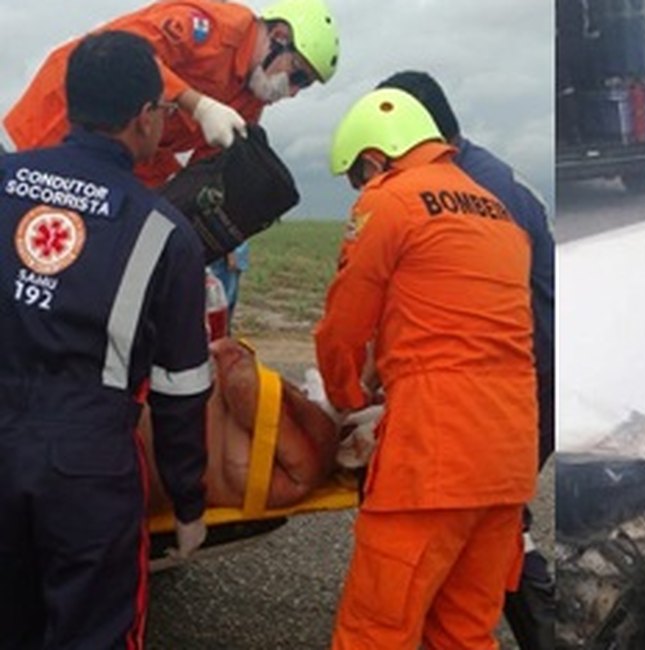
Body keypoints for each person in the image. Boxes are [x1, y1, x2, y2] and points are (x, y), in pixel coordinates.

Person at [0, 32, 211, 648]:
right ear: (146, 117)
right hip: (86, 472)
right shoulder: (163, 234)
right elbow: (181, 390)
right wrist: (190, 502)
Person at [318, 88, 537, 649]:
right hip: (509, 460)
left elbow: (344, 326)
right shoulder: (498, 212)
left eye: (359, 176)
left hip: (433, 460)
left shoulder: (390, 200)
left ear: (374, 159)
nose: (361, 189)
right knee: (464, 632)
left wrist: (344, 399)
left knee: (376, 632)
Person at [376, 70, 556, 650]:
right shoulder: (487, 174)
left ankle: (543, 628)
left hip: (523, 371)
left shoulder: (461, 192)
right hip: (533, 364)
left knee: (484, 517)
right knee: (492, 514)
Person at [4, 0, 339, 188]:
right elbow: (120, 55)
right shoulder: (210, 27)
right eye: (297, 76)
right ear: (279, 36)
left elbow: (204, 168)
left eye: (304, 86)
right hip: (62, 112)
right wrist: (197, 104)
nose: (293, 92)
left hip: (129, 156)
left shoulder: (249, 99)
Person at [143, 338, 344, 513]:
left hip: (139, 459)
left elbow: (243, 384)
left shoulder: (302, 464)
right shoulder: (294, 469)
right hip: (147, 470)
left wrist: (233, 353)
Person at [209, 241, 250, 327]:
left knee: (230, 302)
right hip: (227, 258)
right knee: (223, 303)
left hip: (236, 257)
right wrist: (230, 252)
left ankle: (225, 332)